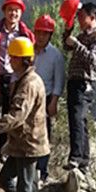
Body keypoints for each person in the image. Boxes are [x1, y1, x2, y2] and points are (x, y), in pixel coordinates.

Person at [0, 37, 49, 192]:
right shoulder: (23, 79)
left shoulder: (29, 84)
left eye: (13, 57)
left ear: (22, 59)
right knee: (5, 178)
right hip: (21, 143)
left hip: (29, 145)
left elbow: (17, 116)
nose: (10, 60)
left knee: (25, 188)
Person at [63, 1, 96, 171]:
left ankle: (76, 157)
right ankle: (83, 159)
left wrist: (77, 44)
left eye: (82, 17)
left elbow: (93, 60)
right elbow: (66, 46)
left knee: (77, 118)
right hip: (75, 81)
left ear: (92, 17)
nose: (79, 20)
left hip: (85, 83)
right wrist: (68, 30)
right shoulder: (83, 35)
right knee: (78, 120)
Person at [0, 0, 34, 159]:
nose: (13, 14)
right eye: (10, 10)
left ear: (21, 13)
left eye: (16, 10)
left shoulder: (25, 35)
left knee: (9, 114)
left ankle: (2, 152)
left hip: (14, 78)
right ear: (4, 11)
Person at [31, 13, 65, 182]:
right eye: (38, 32)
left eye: (44, 33)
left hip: (45, 97)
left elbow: (59, 80)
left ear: (50, 35)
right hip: (29, 95)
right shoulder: (29, 50)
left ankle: (42, 169)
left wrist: (54, 102)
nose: (41, 37)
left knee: (43, 134)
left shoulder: (55, 55)